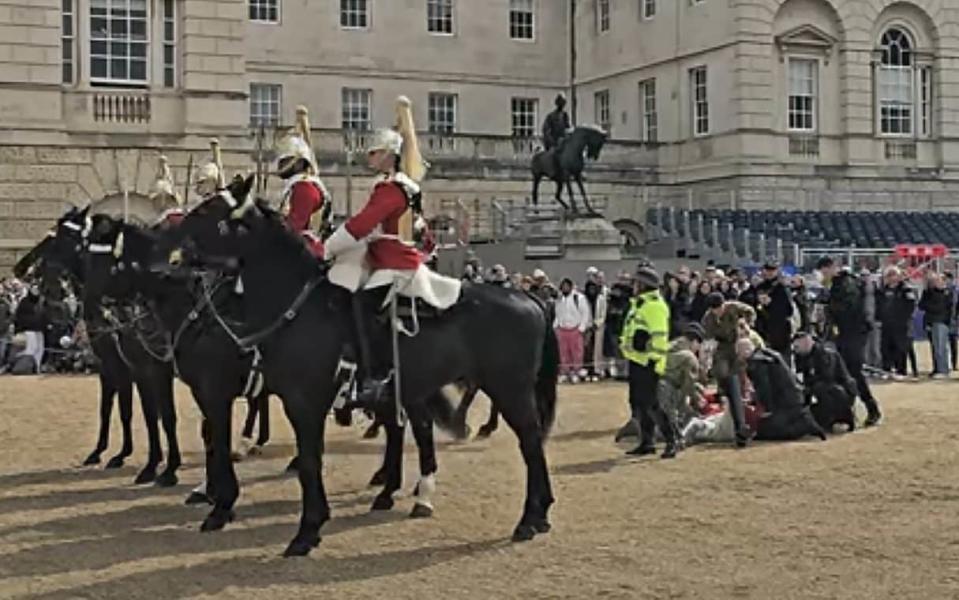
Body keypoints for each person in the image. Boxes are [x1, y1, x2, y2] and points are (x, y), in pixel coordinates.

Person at [324, 96, 461, 405]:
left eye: (375, 152)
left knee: (362, 304)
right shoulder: (401, 187)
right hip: (392, 258)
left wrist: (327, 247)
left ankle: (376, 375)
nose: (369, 157)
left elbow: (361, 225)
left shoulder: (390, 188)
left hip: (394, 263)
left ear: (389, 156)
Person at [619, 267, 678, 459]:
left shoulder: (654, 305)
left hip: (648, 363)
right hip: (637, 360)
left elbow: (659, 337)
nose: (633, 286)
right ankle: (647, 442)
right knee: (639, 403)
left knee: (653, 404)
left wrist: (654, 361)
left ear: (644, 285)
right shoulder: (641, 304)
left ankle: (672, 440)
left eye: (636, 283)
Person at [817, 257, 882, 426]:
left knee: (853, 371)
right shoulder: (838, 284)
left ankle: (871, 408)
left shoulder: (846, 283)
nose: (823, 274)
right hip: (846, 333)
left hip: (853, 332)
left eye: (825, 270)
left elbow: (848, 307)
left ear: (832, 268)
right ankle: (846, 410)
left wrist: (828, 307)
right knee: (844, 371)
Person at [741, 338, 827, 442]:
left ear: (744, 352)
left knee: (764, 430)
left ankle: (803, 427)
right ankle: (806, 423)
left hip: (785, 403)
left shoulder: (757, 362)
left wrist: (767, 409)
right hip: (795, 398)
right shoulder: (768, 354)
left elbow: (765, 388)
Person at [274, 106, 329, 258]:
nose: (281, 165)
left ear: (299, 163)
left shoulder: (304, 187)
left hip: (304, 251)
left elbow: (294, 226)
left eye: (286, 160)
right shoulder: (295, 186)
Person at [702, 292, 755, 447]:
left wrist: (746, 325)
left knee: (736, 379)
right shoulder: (708, 318)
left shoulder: (734, 307)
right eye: (714, 309)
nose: (717, 311)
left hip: (737, 344)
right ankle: (725, 390)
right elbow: (709, 339)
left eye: (719, 308)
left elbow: (751, 311)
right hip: (722, 347)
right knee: (722, 372)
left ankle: (740, 424)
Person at [793, 332, 857, 432]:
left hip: (841, 390)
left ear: (806, 343)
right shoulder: (803, 356)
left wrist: (808, 389)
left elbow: (828, 377)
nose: (795, 350)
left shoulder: (825, 353)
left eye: (797, 347)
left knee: (821, 388)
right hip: (824, 391)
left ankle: (843, 419)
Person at [658, 323, 706, 440]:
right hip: (670, 388)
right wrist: (697, 399)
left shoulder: (668, 346)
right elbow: (688, 385)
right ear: (695, 341)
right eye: (699, 344)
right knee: (672, 423)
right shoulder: (690, 357)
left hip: (655, 384)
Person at [876, 266, 915, 379]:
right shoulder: (882, 290)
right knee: (885, 348)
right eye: (889, 275)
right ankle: (886, 370)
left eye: (893, 275)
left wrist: (903, 319)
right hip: (886, 324)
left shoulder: (905, 289)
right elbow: (878, 306)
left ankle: (901, 370)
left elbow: (910, 306)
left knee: (900, 348)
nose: (891, 278)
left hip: (901, 325)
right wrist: (878, 319)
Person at [755, 260, 794, 363]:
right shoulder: (760, 287)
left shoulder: (782, 288)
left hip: (780, 330)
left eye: (772, 270)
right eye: (767, 269)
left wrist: (771, 304)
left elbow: (789, 310)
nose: (769, 272)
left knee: (783, 361)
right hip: (763, 328)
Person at [554, 278, 591, 383]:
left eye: (567, 286)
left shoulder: (579, 298)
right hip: (562, 329)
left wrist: (581, 328)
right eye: (563, 286)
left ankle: (576, 371)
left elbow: (585, 313)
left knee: (577, 352)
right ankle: (565, 372)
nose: (565, 288)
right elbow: (558, 313)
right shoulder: (560, 299)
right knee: (563, 353)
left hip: (575, 329)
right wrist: (556, 326)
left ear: (571, 287)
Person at [919, 272, 953, 379]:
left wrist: (930, 307)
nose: (935, 283)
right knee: (934, 347)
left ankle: (943, 369)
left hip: (941, 322)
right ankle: (937, 368)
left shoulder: (946, 293)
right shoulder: (928, 292)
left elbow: (940, 308)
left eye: (938, 280)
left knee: (941, 347)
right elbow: (921, 305)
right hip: (930, 322)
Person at [150, 155, 186, 228]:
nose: (153, 203)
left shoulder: (173, 220)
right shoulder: (159, 219)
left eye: (156, 199)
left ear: (165, 197)